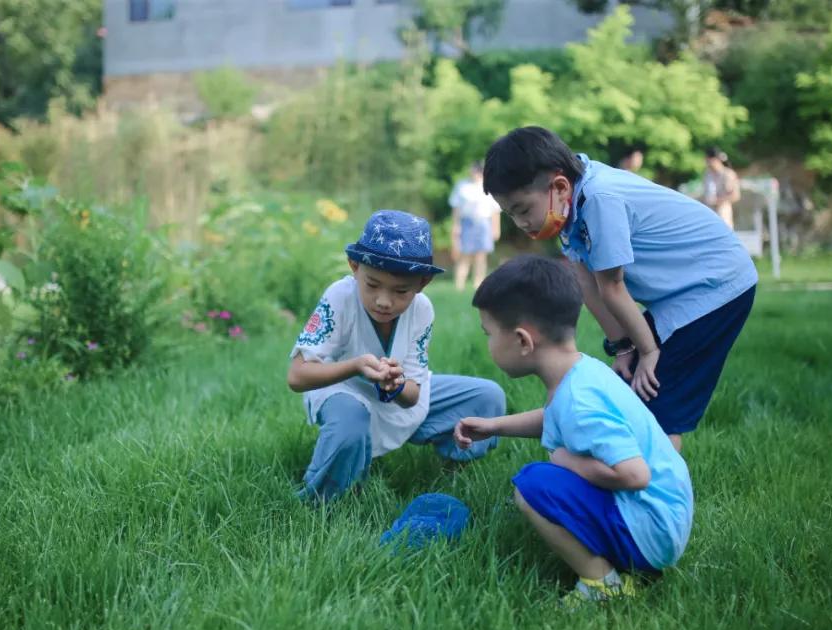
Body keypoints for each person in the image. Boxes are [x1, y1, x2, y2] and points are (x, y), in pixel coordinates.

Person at [481, 126, 757, 453]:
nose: (521, 223)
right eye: (511, 214)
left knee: (655, 400)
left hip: (716, 285)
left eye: (524, 210)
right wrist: (625, 347)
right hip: (681, 294)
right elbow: (586, 282)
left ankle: (658, 479)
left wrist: (649, 351)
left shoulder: (599, 199)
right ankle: (625, 467)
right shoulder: (568, 203)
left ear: (559, 186)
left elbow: (611, 286)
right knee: (629, 388)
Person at [454, 255, 692, 608]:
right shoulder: (583, 372)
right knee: (547, 482)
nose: (488, 344)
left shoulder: (580, 402)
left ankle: (601, 583)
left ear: (522, 341)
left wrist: (567, 461)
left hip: (652, 531)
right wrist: (494, 426)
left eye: (489, 334)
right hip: (661, 519)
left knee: (532, 485)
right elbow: (555, 417)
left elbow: (635, 474)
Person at [287, 209, 506, 502]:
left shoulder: (422, 309)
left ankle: (452, 476)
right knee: (351, 419)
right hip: (341, 388)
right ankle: (323, 500)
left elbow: (413, 395)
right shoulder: (340, 297)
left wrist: (396, 385)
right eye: (372, 285)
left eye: (401, 291)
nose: (384, 301)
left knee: (487, 396)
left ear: (422, 283)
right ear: (354, 267)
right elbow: (297, 376)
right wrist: (356, 366)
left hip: (392, 394)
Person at [449, 162, 502, 291]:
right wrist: (456, 226)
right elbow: (456, 208)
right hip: (467, 222)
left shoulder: (489, 187)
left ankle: (478, 283)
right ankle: (459, 284)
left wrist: (496, 228)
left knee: (481, 256)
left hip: (484, 223)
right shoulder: (462, 186)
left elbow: (495, 210)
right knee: (465, 255)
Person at [703, 146, 741, 229]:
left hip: (723, 215)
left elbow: (736, 195)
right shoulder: (707, 175)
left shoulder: (728, 174)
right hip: (709, 215)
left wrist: (717, 201)